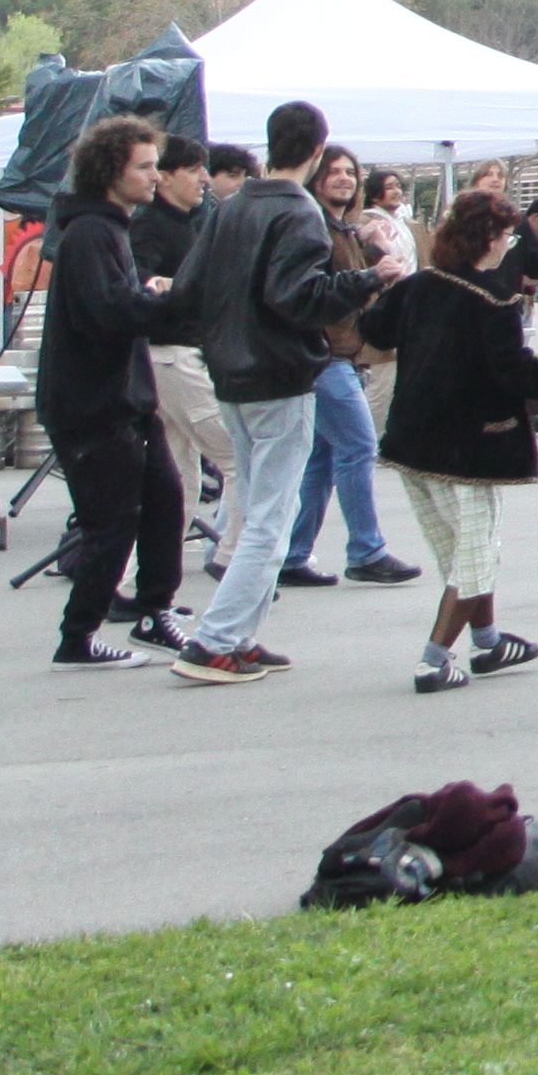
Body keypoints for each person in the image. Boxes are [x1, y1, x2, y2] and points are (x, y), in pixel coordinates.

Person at [167, 103, 396, 682]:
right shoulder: (298, 212)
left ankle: (238, 634)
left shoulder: (231, 207)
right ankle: (216, 640)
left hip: (231, 374)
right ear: (317, 151)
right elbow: (297, 298)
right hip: (280, 375)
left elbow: (189, 288)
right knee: (271, 517)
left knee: (257, 507)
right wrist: (367, 279)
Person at [356, 187, 538, 693]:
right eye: (506, 235)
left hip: (411, 441)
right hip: (467, 448)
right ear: (486, 239)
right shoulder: (493, 301)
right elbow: (519, 375)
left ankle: (487, 641)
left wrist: (386, 284)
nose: (509, 244)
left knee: (464, 551)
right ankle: (433, 660)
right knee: (473, 557)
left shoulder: (420, 285)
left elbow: (374, 332)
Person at [37, 114, 197, 667]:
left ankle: (155, 612)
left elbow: (117, 305)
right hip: (93, 406)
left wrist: (155, 298)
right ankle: (78, 637)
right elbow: (108, 312)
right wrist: (170, 302)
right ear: (111, 171)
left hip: (127, 401)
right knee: (111, 523)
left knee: (165, 503)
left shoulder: (111, 230)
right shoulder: (89, 233)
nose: (156, 176)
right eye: (145, 166)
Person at [274, 146, 419, 593]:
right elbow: (317, 291)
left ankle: (293, 554)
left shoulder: (341, 228)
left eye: (350, 172)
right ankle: (366, 551)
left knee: (321, 458)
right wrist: (375, 272)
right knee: (358, 445)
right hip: (322, 355)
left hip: (339, 353)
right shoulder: (314, 227)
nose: (343, 179)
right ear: (315, 179)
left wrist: (373, 253)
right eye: (333, 172)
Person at [130, 143, 242, 562]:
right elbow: (138, 283)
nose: (204, 179)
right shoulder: (149, 224)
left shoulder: (193, 221)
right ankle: (233, 560)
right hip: (171, 356)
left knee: (180, 476)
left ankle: (145, 576)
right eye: (194, 169)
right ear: (166, 176)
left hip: (178, 355)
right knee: (240, 458)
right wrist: (173, 286)